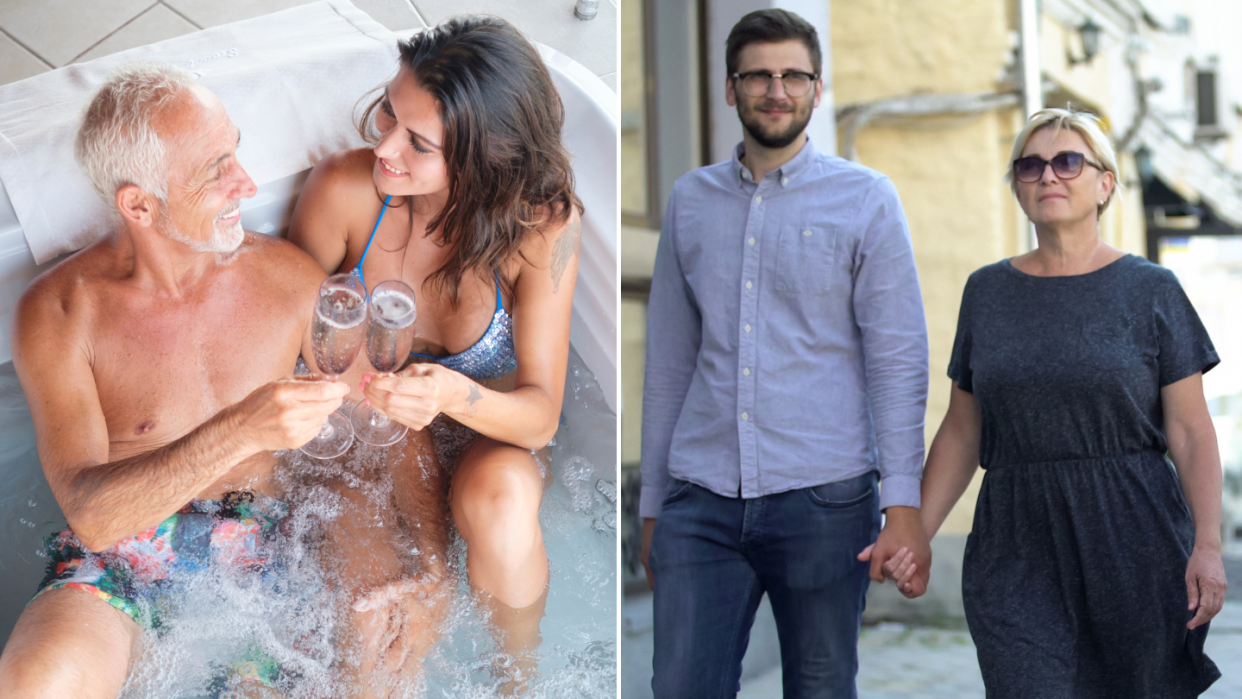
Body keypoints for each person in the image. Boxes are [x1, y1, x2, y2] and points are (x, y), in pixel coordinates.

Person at [0, 63, 350, 698]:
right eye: (215, 170)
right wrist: (242, 429)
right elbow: (95, 517)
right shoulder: (61, 311)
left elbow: (375, 426)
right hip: (121, 557)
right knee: (35, 681)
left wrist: (423, 565)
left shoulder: (289, 280)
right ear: (139, 204)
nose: (246, 182)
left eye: (235, 150)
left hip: (258, 560)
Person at [637, 9, 931, 698]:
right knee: (680, 686)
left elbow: (897, 359)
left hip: (824, 498)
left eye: (793, 75)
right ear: (731, 87)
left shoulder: (867, 201)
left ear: (817, 89)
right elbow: (669, 362)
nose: (777, 89)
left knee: (822, 687)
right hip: (700, 499)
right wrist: (653, 504)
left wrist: (904, 504)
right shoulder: (688, 201)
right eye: (760, 75)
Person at [286, 15, 583, 692]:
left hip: (479, 439)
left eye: (418, 142)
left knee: (504, 497)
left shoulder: (546, 230)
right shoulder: (344, 190)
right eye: (389, 110)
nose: (384, 146)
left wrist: (450, 395)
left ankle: (518, 676)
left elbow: (540, 416)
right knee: (377, 618)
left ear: (486, 160)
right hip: (359, 440)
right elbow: (279, 332)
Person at [886, 108, 1226, 697]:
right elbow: (964, 430)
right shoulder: (987, 292)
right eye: (1030, 165)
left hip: (1132, 536)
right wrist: (917, 529)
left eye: (1068, 161)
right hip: (1016, 541)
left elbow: (1192, 432)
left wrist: (1208, 546)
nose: (1048, 176)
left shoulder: (1151, 290)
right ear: (1017, 186)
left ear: (1104, 184)